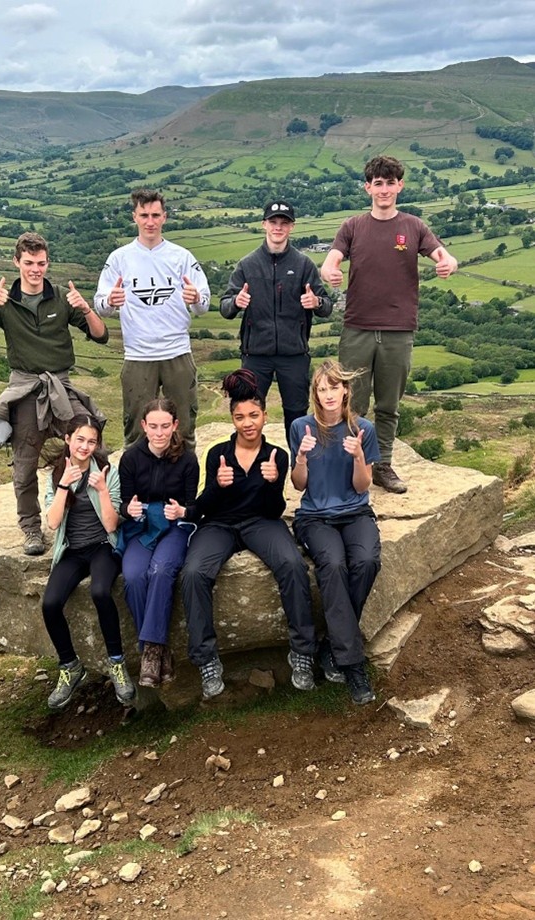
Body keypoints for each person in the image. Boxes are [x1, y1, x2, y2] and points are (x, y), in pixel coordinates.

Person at [0, 231, 108, 556]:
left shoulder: (62, 299)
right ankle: (31, 530)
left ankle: (91, 518)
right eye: (28, 263)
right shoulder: (4, 303)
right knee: (24, 467)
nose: (35, 269)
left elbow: (101, 335)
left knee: (94, 446)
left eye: (40, 263)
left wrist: (86, 309)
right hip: (25, 389)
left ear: (47, 263)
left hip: (61, 386)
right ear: (17, 262)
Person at [320, 156, 458, 494]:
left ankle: (382, 465)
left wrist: (448, 264)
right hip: (358, 327)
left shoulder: (414, 226)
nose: (384, 189)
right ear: (368, 187)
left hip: (399, 329)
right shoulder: (353, 226)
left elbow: (444, 256)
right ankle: (351, 466)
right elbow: (330, 261)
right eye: (378, 183)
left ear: (400, 186)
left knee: (388, 406)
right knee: (352, 403)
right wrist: (330, 270)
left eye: (390, 183)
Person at [181, 369, 317, 700]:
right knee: (194, 572)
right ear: (232, 419)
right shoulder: (217, 453)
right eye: (240, 417)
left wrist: (271, 483)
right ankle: (206, 659)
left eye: (254, 415)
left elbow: (274, 509)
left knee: (292, 565)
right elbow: (200, 509)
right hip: (219, 524)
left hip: (261, 522)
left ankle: (302, 652)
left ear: (265, 416)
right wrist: (218, 486)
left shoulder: (277, 456)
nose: (247, 423)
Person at [290, 360, 381, 705]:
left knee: (367, 561)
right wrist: (301, 457)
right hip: (315, 517)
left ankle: (332, 643)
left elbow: (362, 486)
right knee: (333, 564)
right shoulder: (301, 427)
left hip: (355, 512)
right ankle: (353, 665)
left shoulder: (363, 429)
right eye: (322, 389)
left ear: (345, 390)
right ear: (315, 394)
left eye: (334, 387)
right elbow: (299, 485)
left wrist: (358, 456)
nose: (328, 394)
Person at [94, 188, 211, 450]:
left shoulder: (182, 257)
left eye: (155, 215)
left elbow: (203, 305)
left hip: (177, 352)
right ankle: (137, 477)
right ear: (134, 217)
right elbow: (101, 306)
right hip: (138, 355)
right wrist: (110, 301)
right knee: (136, 430)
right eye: (144, 215)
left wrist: (195, 298)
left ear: (164, 217)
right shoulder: (119, 259)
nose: (150, 222)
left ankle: (184, 476)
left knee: (184, 427)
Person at [41, 415, 135, 711]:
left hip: (102, 547)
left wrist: (103, 490)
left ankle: (117, 663)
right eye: (80, 439)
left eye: (91, 442)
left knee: (100, 592)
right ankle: (70, 666)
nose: (85, 446)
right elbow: (53, 523)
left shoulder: (107, 470)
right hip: (72, 550)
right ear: (68, 439)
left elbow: (111, 524)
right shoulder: (56, 475)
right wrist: (63, 486)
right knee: (50, 604)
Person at [220, 199, 332, 440]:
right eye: (273, 222)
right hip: (255, 355)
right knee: (249, 413)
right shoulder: (247, 265)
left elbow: (326, 306)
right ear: (264, 224)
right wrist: (236, 302)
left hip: (294, 355)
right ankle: (251, 460)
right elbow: (225, 307)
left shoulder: (303, 264)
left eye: (284, 222)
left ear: (292, 227)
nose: (278, 227)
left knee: (297, 415)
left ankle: (298, 461)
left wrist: (316, 302)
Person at [118, 398, 199, 687]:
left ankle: (150, 652)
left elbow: (194, 507)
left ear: (175, 425)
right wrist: (128, 509)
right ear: (143, 426)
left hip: (175, 528)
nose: (159, 433)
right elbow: (124, 503)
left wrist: (182, 512)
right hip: (142, 528)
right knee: (134, 576)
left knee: (161, 569)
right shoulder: (130, 458)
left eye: (165, 426)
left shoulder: (187, 459)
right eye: (153, 426)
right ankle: (160, 651)